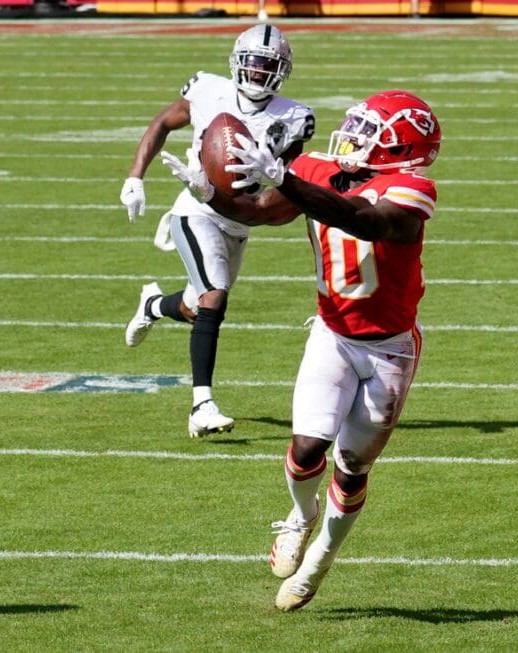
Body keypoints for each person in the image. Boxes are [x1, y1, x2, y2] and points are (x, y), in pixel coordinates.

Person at [160, 90, 441, 610]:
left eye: (369, 131)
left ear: (399, 147)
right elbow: (260, 212)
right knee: (307, 448)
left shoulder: (412, 189)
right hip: (332, 333)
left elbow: (366, 220)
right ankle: (301, 515)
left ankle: (317, 565)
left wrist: (286, 178)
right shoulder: (316, 169)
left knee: (351, 469)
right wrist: (209, 194)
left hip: (390, 350)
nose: (353, 136)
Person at [119, 24, 316, 437]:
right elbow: (163, 122)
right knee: (215, 296)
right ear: (238, 62)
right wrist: (136, 176)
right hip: (195, 210)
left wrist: (277, 176)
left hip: (240, 219)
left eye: (268, 66)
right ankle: (201, 405)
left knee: (196, 307)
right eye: (254, 64)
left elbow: (289, 190)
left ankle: (152, 305)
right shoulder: (208, 90)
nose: (259, 73)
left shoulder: (294, 118)